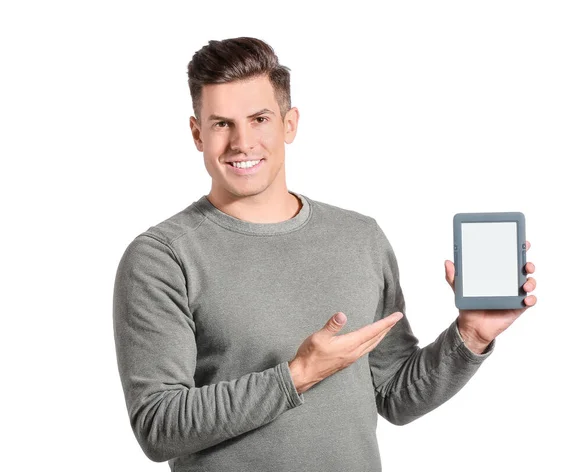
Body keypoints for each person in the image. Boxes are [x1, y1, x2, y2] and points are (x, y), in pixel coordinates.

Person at [112, 36, 538, 471]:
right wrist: (297, 376)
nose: (242, 142)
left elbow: (393, 396)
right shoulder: (161, 257)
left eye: (259, 118)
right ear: (197, 133)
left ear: (289, 123)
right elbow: (157, 426)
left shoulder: (359, 238)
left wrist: (472, 337)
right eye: (222, 124)